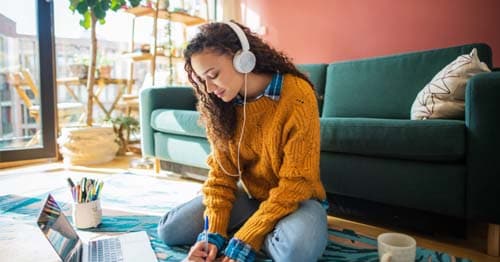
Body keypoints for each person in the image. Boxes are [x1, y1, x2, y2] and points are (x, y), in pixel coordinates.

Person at [157, 21, 328, 262]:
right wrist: (212, 233)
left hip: (299, 201)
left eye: (213, 75)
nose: (208, 88)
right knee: (169, 230)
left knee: (296, 252)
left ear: (242, 58)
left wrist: (248, 237)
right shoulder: (222, 107)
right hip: (252, 199)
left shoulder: (297, 95)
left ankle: (256, 229)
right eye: (202, 79)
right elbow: (221, 175)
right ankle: (260, 229)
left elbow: (296, 183)